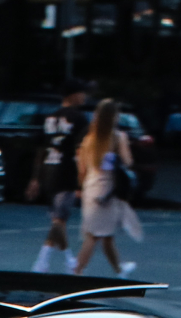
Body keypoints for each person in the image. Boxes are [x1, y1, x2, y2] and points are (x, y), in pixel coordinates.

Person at [70, 98, 141, 278]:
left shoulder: (89, 139)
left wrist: (80, 186)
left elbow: (82, 167)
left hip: (90, 186)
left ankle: (119, 269)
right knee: (94, 235)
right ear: (113, 116)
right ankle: (77, 270)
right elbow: (128, 161)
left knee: (104, 233)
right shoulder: (118, 137)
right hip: (107, 189)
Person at [28, 81, 90, 273]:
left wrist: (35, 177)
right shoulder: (79, 119)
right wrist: (82, 178)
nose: (84, 97)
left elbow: (40, 148)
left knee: (58, 218)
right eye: (81, 93)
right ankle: (43, 261)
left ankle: (66, 260)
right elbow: (81, 149)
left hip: (49, 169)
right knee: (59, 219)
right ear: (72, 95)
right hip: (67, 170)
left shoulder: (49, 117)